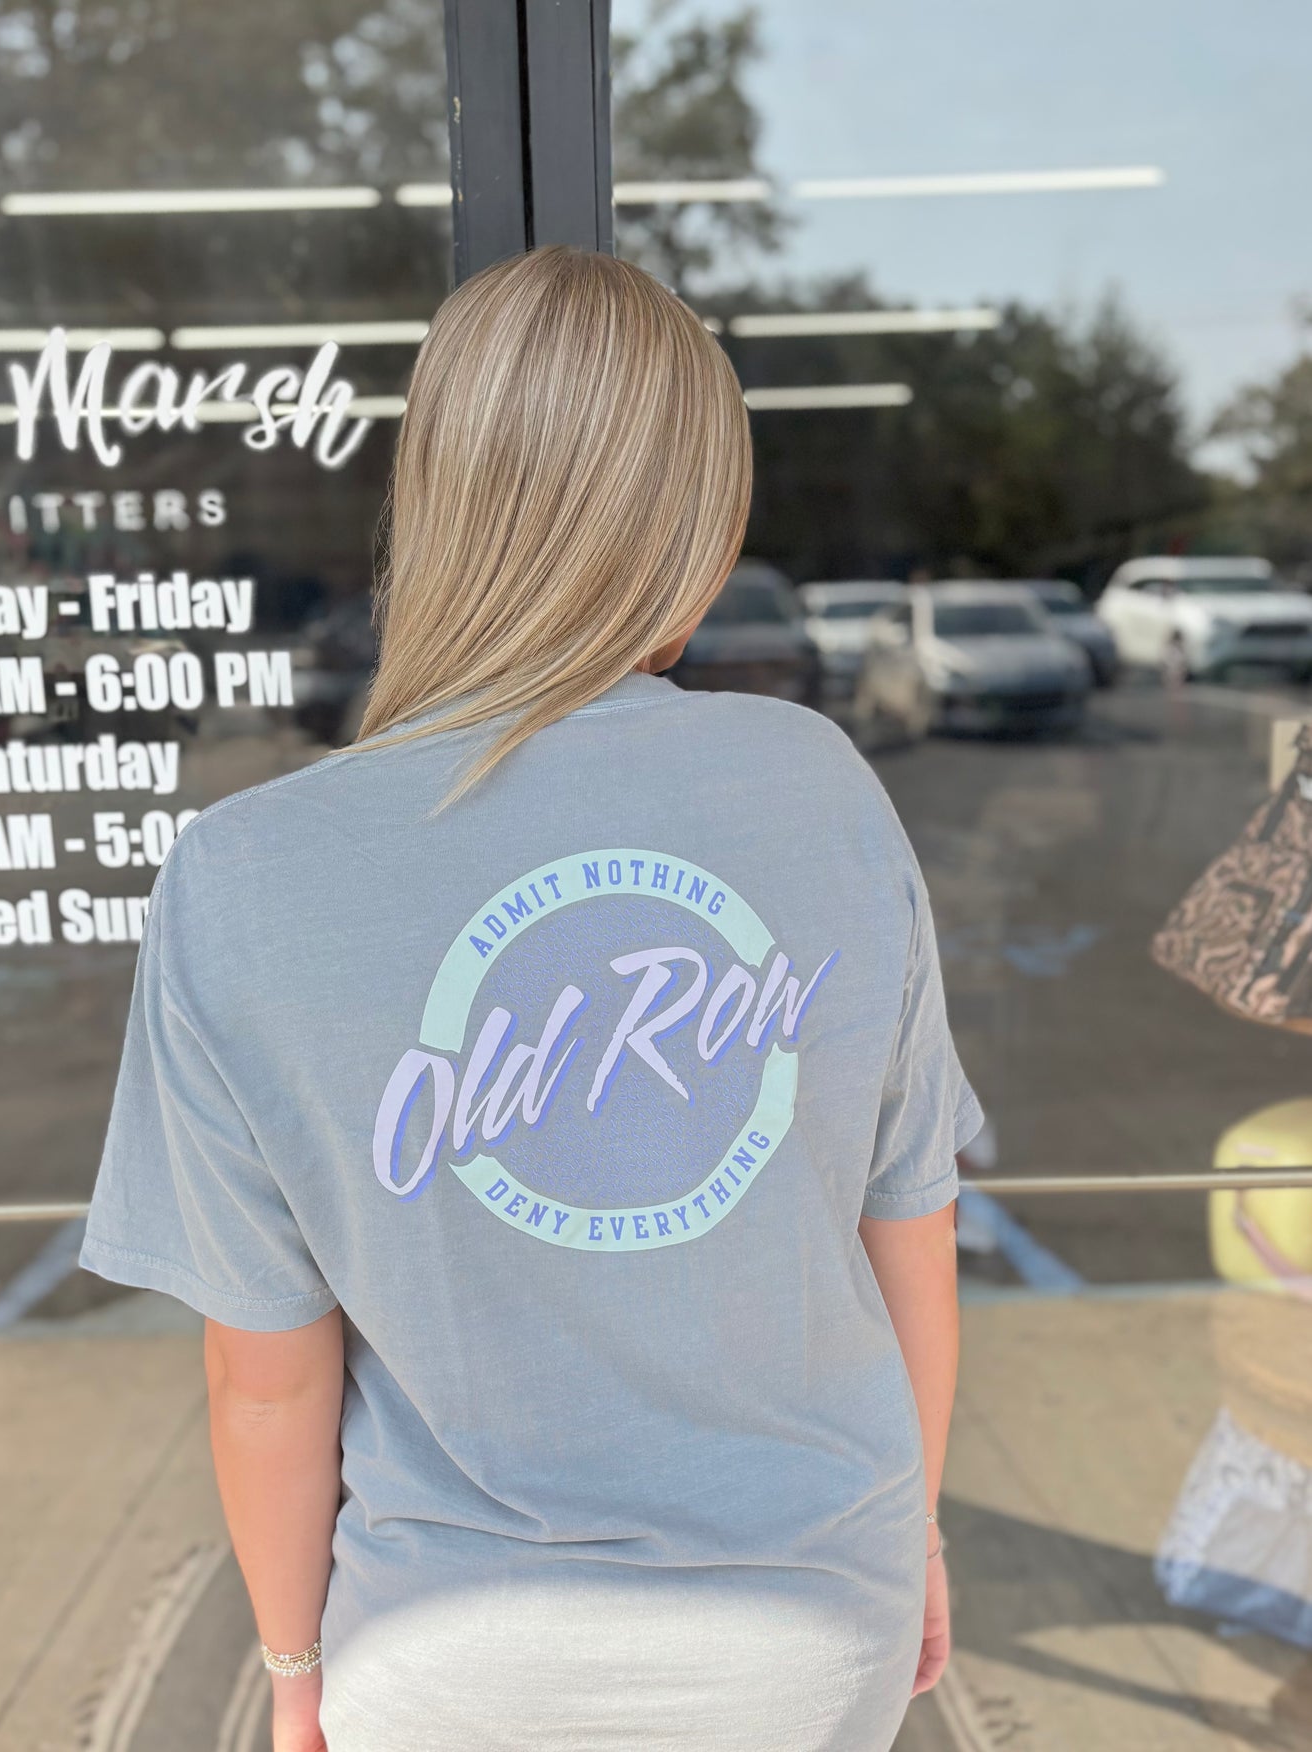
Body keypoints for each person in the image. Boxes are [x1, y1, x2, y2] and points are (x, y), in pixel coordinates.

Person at [79, 245, 982, 1752]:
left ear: (435, 501)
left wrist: (294, 1676)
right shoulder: (815, 787)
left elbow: (265, 1380)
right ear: (698, 524)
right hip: (814, 1628)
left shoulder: (242, 875)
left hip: (448, 1658)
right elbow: (913, 1237)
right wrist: (916, 1533)